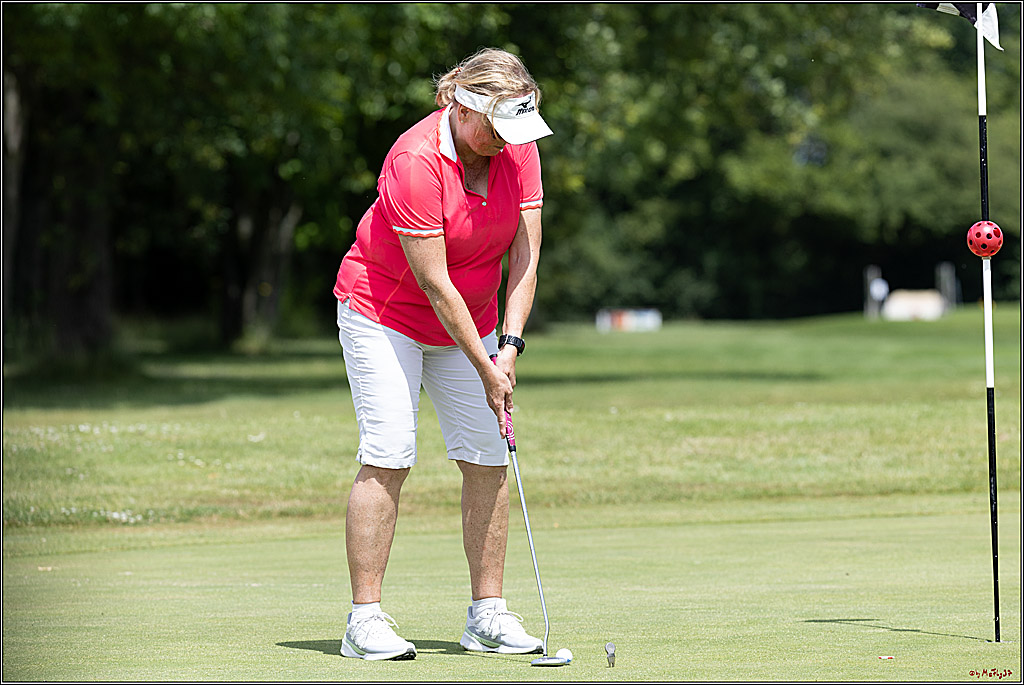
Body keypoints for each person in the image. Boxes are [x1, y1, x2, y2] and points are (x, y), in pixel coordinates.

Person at [332, 47, 553, 661]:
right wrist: (485, 366)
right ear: (463, 106)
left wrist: (508, 346)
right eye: (496, 129)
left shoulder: (520, 148)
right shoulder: (415, 160)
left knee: (487, 454)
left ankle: (487, 615)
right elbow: (434, 283)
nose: (506, 143)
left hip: (477, 320)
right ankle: (364, 620)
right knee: (389, 450)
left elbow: (525, 256)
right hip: (385, 314)